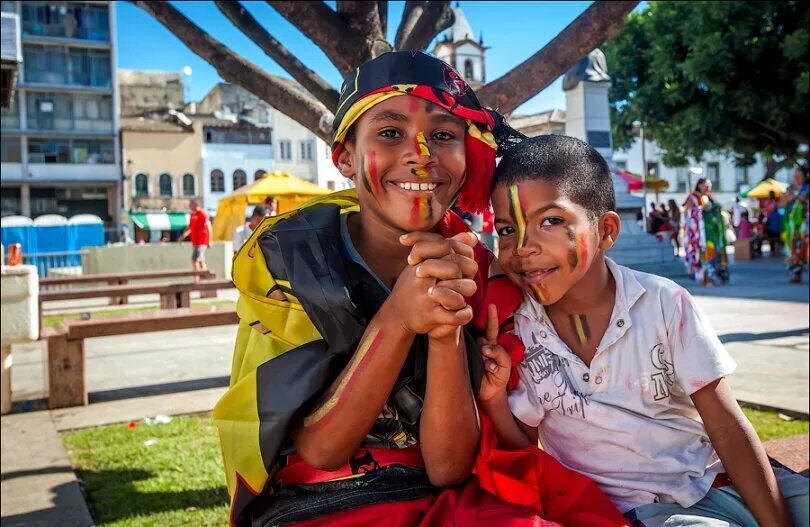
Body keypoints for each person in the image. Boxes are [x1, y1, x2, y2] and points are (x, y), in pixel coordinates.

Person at [212, 52, 625, 527]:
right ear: (345, 158)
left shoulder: (483, 276)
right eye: (390, 133)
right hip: (318, 504)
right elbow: (322, 449)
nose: (421, 154)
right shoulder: (289, 265)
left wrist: (445, 330)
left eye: (444, 135)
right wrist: (400, 317)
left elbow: (449, 467)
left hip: (448, 498)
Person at [478, 134, 809, 527]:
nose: (523, 247)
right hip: (642, 512)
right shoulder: (522, 328)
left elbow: (725, 425)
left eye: (551, 221)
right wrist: (496, 399)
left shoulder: (664, 304)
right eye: (506, 230)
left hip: (716, 481)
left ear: (606, 231)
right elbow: (526, 450)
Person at [683, 178, 729, 286]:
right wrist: (701, 210)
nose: (708, 186)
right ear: (699, 185)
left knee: (712, 254)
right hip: (700, 234)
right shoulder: (693, 197)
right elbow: (686, 212)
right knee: (704, 254)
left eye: (709, 184)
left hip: (713, 231)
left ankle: (712, 277)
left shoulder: (709, 197)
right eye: (705, 184)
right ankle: (705, 279)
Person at [782, 166, 809, 283]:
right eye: (795, 176)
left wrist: (795, 197)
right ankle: (796, 272)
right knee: (793, 247)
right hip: (791, 225)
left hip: (804, 223)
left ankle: (798, 271)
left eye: (800, 176)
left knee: (803, 247)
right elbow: (783, 203)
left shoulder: (807, 188)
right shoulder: (791, 189)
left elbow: (803, 199)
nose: (797, 178)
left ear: (804, 177)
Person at [181, 198, 211, 274]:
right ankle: (206, 278)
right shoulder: (192, 214)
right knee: (201, 260)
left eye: (191, 204)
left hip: (201, 242)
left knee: (195, 259)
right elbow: (190, 227)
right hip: (195, 242)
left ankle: (198, 277)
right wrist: (183, 236)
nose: (189, 206)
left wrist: (208, 241)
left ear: (196, 204)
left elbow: (209, 228)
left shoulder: (202, 214)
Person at [765, 193, 784, 258]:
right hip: (779, 232)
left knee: (770, 235)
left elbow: (767, 223)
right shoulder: (780, 215)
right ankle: (778, 249)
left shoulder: (770, 215)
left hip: (773, 232)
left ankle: (772, 250)